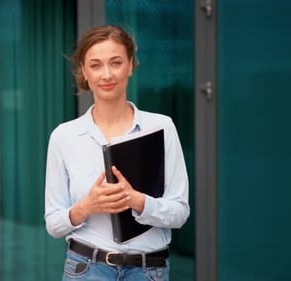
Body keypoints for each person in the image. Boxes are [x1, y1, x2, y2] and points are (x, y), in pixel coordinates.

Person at [44, 25, 189, 281]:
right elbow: (54, 224)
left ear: (130, 66)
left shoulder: (161, 127)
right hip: (86, 270)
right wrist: (87, 206)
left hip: (148, 271)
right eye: (96, 65)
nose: (107, 74)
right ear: (84, 72)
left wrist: (137, 201)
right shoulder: (64, 137)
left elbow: (179, 212)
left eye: (116, 62)